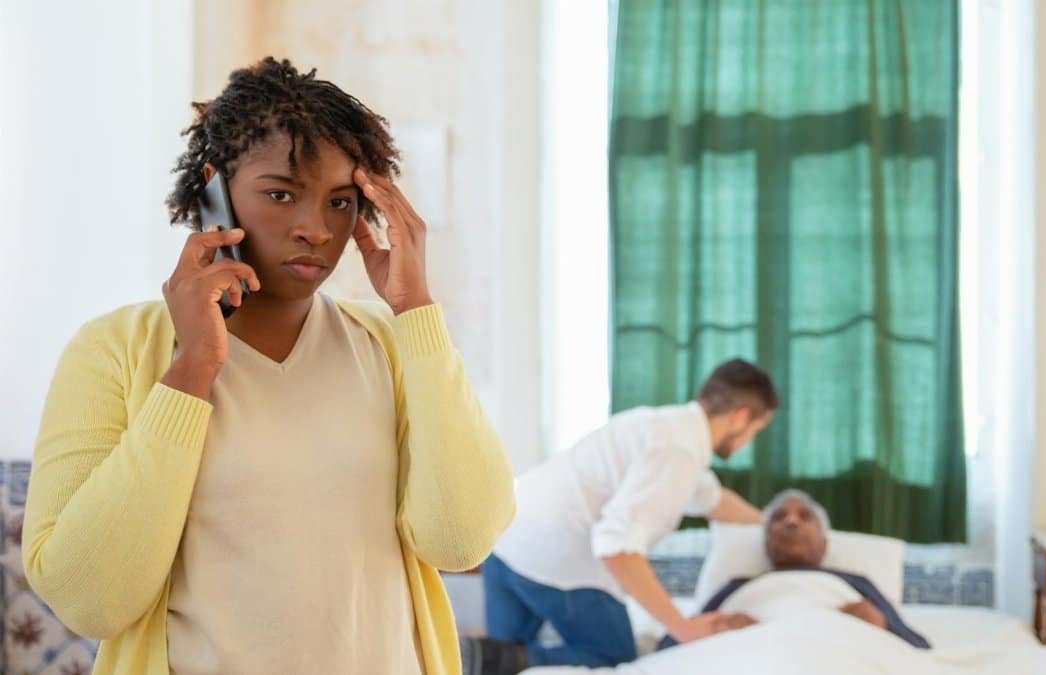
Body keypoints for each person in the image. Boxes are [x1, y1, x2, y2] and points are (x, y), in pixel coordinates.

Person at [22, 57, 514, 675]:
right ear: (214, 192)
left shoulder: (392, 345)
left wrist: (417, 311)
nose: (315, 229)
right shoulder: (114, 349)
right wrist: (192, 369)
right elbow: (86, 599)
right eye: (281, 194)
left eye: (340, 202)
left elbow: (461, 539)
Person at [460, 360, 779, 675]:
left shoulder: (668, 428)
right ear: (740, 418)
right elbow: (616, 545)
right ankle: (486, 656)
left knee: (497, 661)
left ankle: (483, 656)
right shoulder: (678, 451)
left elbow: (713, 500)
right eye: (755, 432)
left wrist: (768, 523)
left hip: (507, 535)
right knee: (613, 657)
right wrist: (681, 626)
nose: (747, 443)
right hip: (555, 553)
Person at [658, 489, 930, 650]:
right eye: (779, 517)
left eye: (805, 516)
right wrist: (719, 627)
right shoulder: (737, 586)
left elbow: (916, 647)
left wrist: (877, 623)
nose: (791, 522)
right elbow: (669, 646)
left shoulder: (856, 583)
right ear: (766, 543)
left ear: (824, 543)